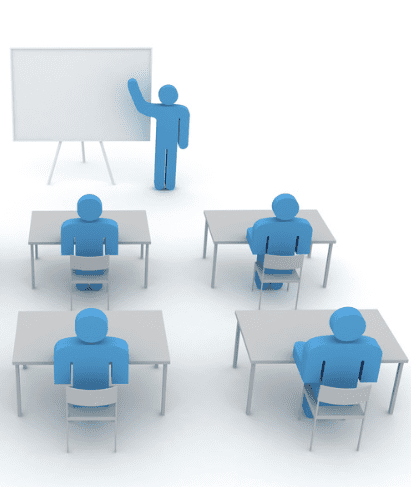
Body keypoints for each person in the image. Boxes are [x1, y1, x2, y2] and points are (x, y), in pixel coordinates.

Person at [293, 307, 382, 418]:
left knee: (312, 381)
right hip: (349, 400)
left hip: (319, 400)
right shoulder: (372, 348)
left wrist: (299, 347)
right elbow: (368, 376)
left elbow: (308, 376)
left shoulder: (316, 347)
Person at [128, 78, 190, 190]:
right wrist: (182, 142)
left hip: (162, 142)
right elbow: (184, 126)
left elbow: (141, 106)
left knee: (162, 159)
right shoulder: (181, 110)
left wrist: (133, 87)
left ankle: (162, 184)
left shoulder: (174, 110)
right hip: (170, 142)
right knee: (169, 159)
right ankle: (167, 184)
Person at [246, 194, 312, 289]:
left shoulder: (262, 226)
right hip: (287, 267)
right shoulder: (305, 226)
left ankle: (262, 285)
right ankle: (277, 284)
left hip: (266, 267)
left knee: (263, 255)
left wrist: (250, 232)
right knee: (282, 261)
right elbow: (303, 250)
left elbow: (256, 249)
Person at [54, 308, 129, 390]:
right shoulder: (119, 348)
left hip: (76, 398)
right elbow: (121, 379)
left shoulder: (63, 349)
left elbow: (61, 380)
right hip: (106, 398)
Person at [61, 194, 118, 290]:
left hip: (79, 268)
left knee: (81, 282)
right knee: (97, 283)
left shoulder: (68, 226)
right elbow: (112, 250)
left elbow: (66, 250)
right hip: (99, 268)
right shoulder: (110, 226)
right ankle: (97, 285)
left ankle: (81, 285)